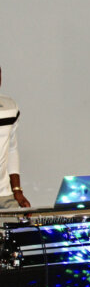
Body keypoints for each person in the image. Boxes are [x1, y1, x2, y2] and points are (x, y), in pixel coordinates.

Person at [0, 65, 31, 209]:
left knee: (20, 230)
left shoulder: (10, 107)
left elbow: (12, 149)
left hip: (4, 194)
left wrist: (17, 190)